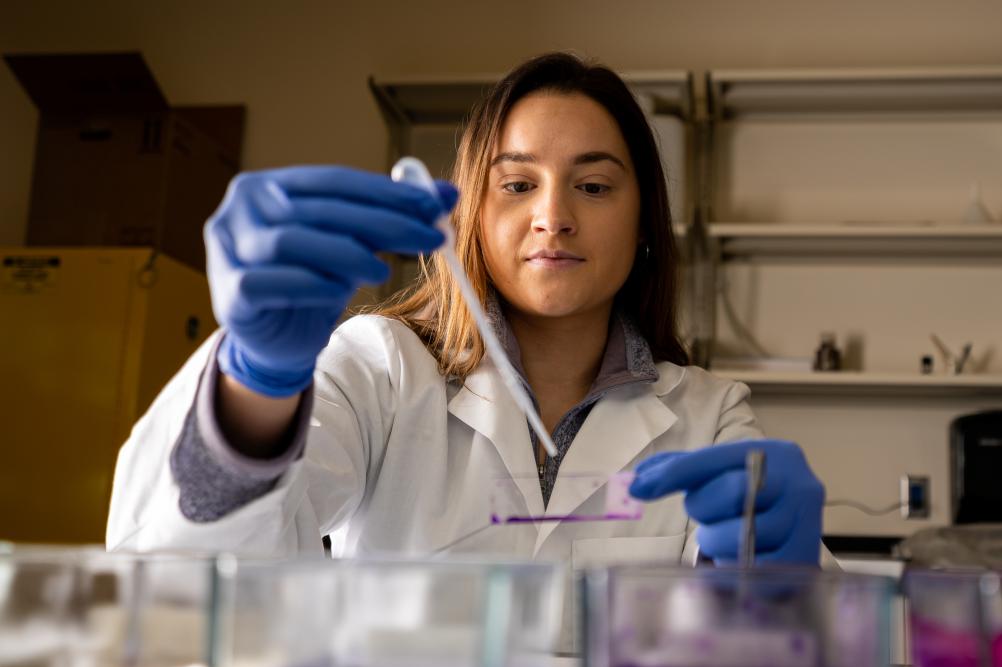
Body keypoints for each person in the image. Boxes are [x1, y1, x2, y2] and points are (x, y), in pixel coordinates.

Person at [107, 52, 831, 570]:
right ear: (471, 214)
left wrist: (786, 583)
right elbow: (187, 573)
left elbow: (786, 661)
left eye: (596, 186)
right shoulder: (380, 370)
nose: (553, 216)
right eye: (516, 185)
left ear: (644, 224)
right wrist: (256, 383)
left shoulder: (708, 416)